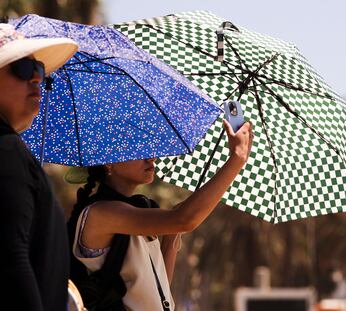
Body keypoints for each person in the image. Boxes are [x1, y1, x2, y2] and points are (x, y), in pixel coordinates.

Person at [66, 119, 253, 311]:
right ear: (108, 163)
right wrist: (237, 158)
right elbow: (185, 220)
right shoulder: (101, 213)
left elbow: (159, 289)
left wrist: (173, 232)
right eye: (139, 148)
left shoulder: (138, 209)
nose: (151, 157)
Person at [0, 23, 78, 310]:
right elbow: (10, 257)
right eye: (21, 68)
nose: (35, 78)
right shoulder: (6, 150)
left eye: (39, 70)